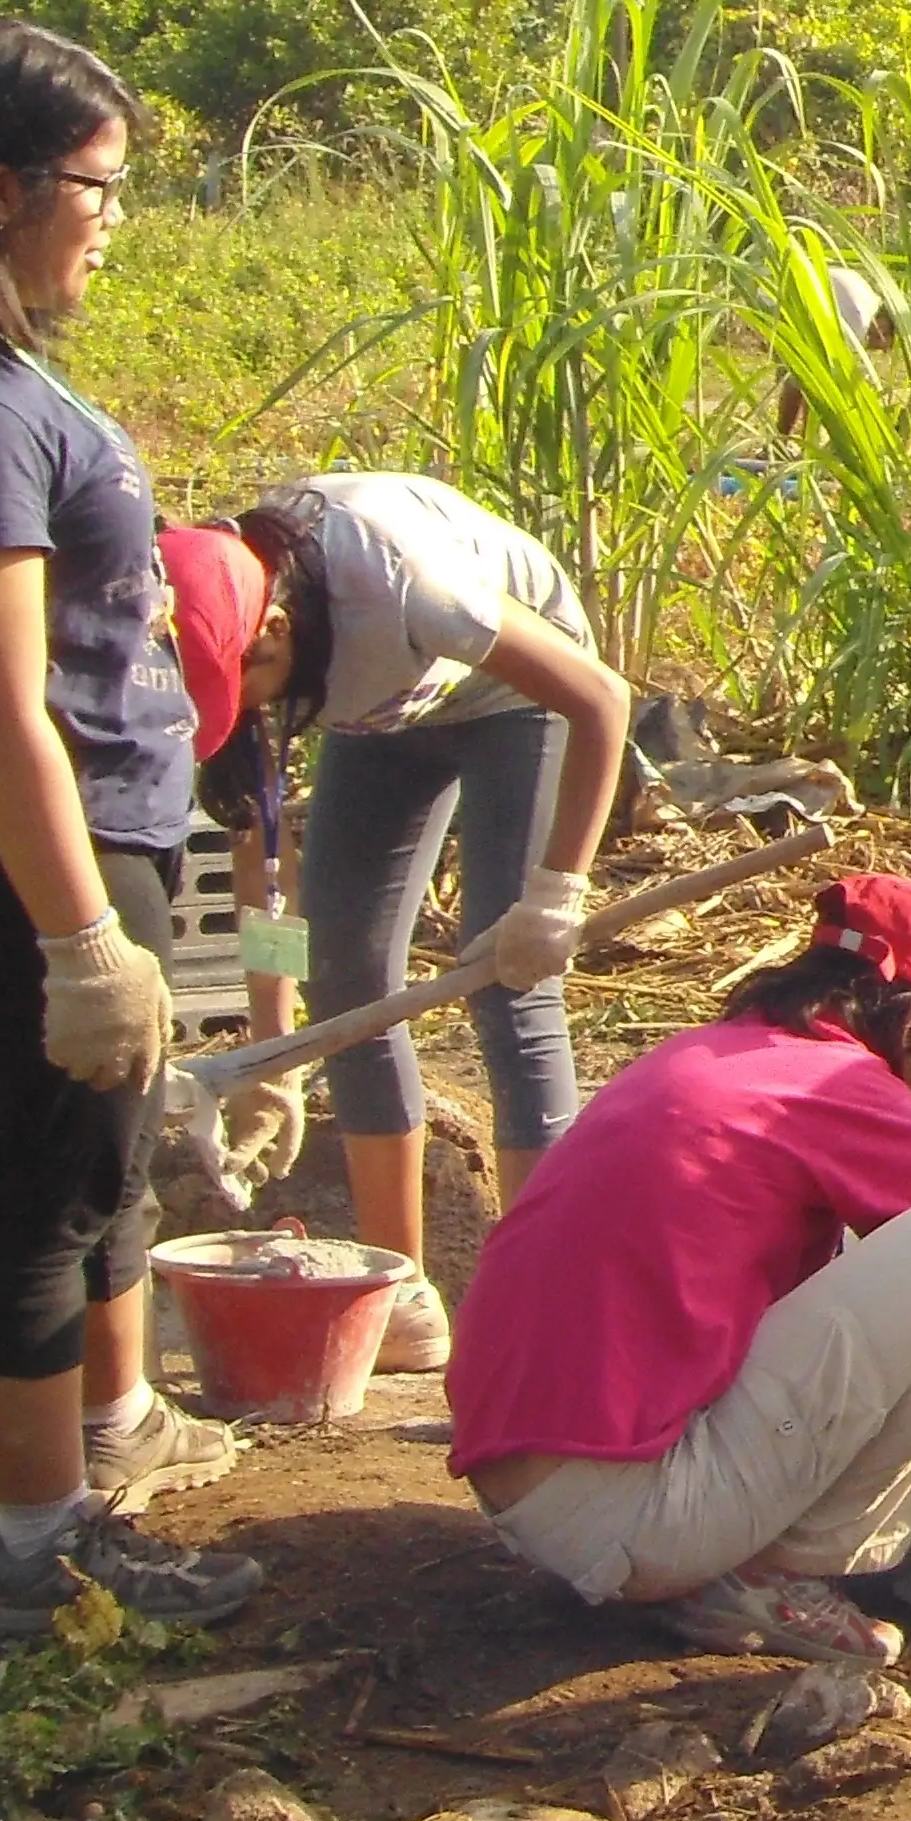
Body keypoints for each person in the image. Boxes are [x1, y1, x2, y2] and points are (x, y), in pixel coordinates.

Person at [0, 21, 260, 1639]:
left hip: (46, 840)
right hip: (20, 855)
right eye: (98, 187)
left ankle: (86, 1474)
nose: (113, 219)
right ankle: (33, 1551)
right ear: (2, 189)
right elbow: (0, 706)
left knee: (77, 1175)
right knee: (33, 1190)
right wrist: (84, 940)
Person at [446, 876, 911, 1665]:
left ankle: (710, 1556)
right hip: (628, 1519)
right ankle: (777, 1576)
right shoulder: (849, 1089)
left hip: (521, 1490)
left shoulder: (711, 1056)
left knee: (835, 1249)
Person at [163, 475, 633, 1371]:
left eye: (249, 683)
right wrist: (275, 1055)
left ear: (277, 626)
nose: (250, 704)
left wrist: (557, 894)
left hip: (515, 701)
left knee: (508, 977)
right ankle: (400, 1293)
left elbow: (602, 699)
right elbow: (265, 875)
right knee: (345, 979)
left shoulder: (411, 585)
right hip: (389, 714)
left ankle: (535, 1307)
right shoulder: (227, 623)